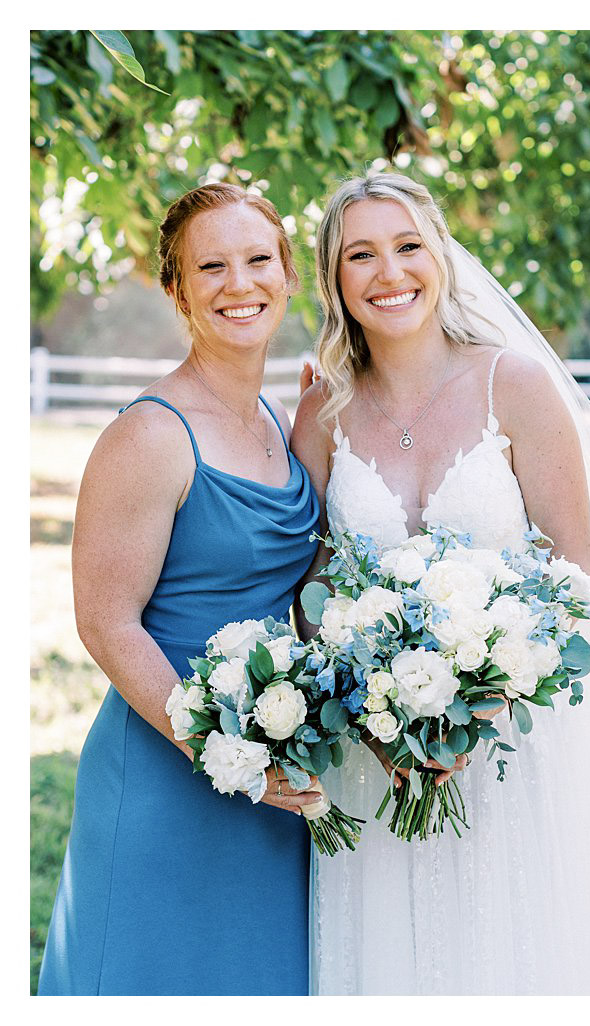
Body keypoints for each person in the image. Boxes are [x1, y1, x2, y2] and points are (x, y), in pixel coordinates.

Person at [291, 171, 590, 995]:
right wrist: (377, 712)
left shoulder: (516, 385)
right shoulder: (322, 407)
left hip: (513, 743)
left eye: (407, 247)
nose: (389, 273)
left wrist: (482, 702)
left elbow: (574, 577)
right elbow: (313, 585)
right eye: (361, 255)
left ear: (441, 256)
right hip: (376, 750)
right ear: (334, 279)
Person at [39, 183, 325, 994]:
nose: (240, 284)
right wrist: (224, 753)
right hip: (172, 772)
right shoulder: (149, 434)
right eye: (212, 266)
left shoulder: (279, 417)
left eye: (257, 260)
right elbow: (106, 623)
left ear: (289, 272)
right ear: (177, 289)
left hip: (274, 766)